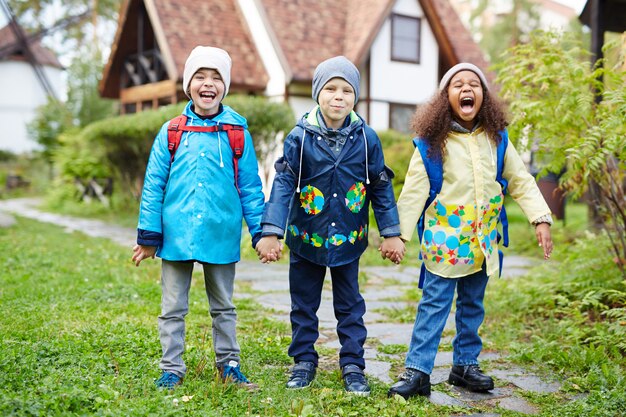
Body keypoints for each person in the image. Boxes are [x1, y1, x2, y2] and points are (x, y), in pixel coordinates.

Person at [387, 63, 554, 399]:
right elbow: (414, 192)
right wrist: (398, 234)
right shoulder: (431, 143)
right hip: (444, 242)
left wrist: (540, 218)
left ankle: (465, 365)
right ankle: (418, 371)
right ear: (445, 98)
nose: (467, 89)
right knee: (434, 305)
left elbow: (521, 180)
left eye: (474, 84)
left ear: (484, 97)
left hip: (483, 242)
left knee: (473, 305)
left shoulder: (498, 140)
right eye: (458, 84)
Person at [256, 56, 405, 396]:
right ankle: (303, 361)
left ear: (355, 97)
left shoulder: (366, 138)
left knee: (350, 305)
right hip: (306, 237)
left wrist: (391, 232)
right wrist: (271, 231)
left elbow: (379, 185)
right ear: (317, 93)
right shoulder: (300, 137)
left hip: (348, 240)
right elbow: (283, 182)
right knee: (303, 304)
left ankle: (353, 364)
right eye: (331, 89)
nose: (338, 97)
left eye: (347, 90)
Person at [132, 46, 266, 390]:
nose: (208, 84)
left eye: (216, 77)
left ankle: (229, 364)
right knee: (172, 306)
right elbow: (154, 185)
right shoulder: (172, 131)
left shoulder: (237, 133)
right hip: (177, 233)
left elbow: (250, 187)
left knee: (224, 306)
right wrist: (149, 237)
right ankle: (171, 367)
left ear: (226, 86)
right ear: (188, 85)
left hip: (221, 232)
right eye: (200, 77)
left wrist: (262, 233)